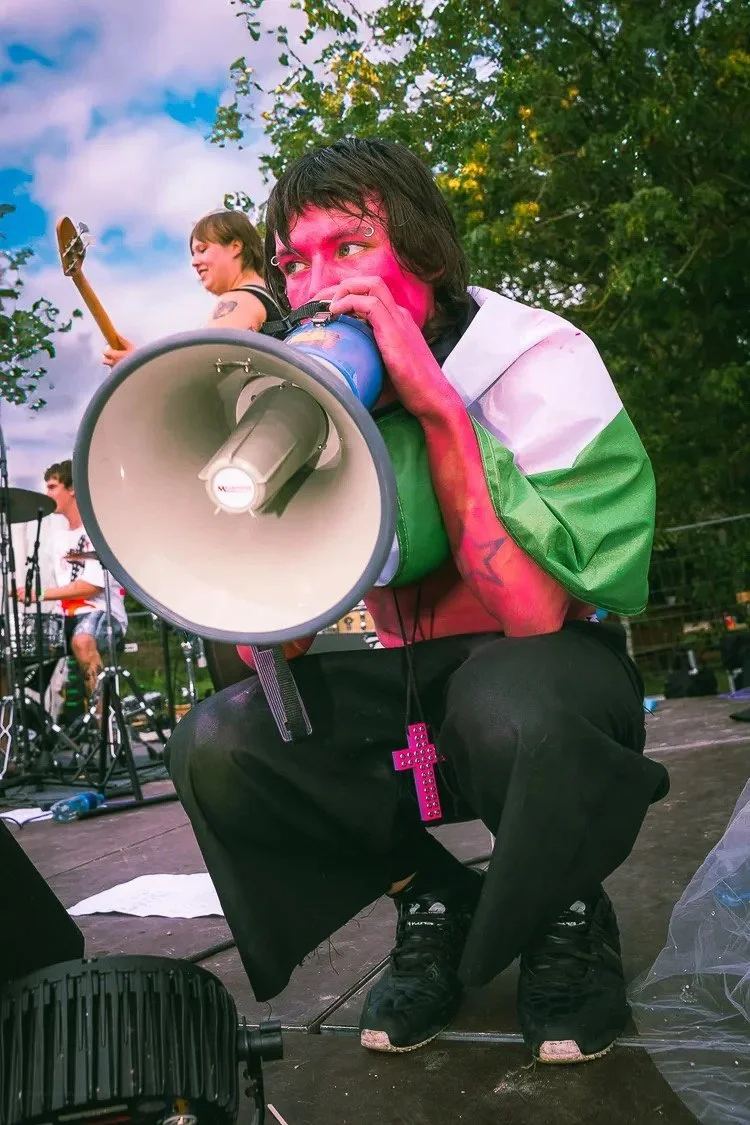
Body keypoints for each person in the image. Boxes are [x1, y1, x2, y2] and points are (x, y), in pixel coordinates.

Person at [166, 139, 670, 1066]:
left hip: (537, 669)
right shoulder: (282, 383)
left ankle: (565, 906)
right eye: (295, 260)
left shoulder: (532, 356)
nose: (320, 283)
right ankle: (430, 894)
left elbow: (532, 615)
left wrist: (436, 405)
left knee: (521, 706)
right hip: (391, 680)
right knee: (222, 744)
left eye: (349, 247)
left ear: (426, 253)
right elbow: (257, 664)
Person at [102, 210, 280, 367]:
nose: (194, 262)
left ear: (235, 247)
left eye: (202, 249)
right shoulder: (272, 295)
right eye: (193, 254)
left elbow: (200, 367)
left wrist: (138, 366)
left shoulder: (240, 300)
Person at [22, 460, 128, 705]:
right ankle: (19, 731)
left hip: (101, 612)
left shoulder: (97, 528)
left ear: (71, 489)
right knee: (14, 651)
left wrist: (38, 594)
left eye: (52, 487)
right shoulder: (57, 536)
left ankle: (105, 725)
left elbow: (91, 587)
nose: (47, 495)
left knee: (82, 641)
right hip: (65, 617)